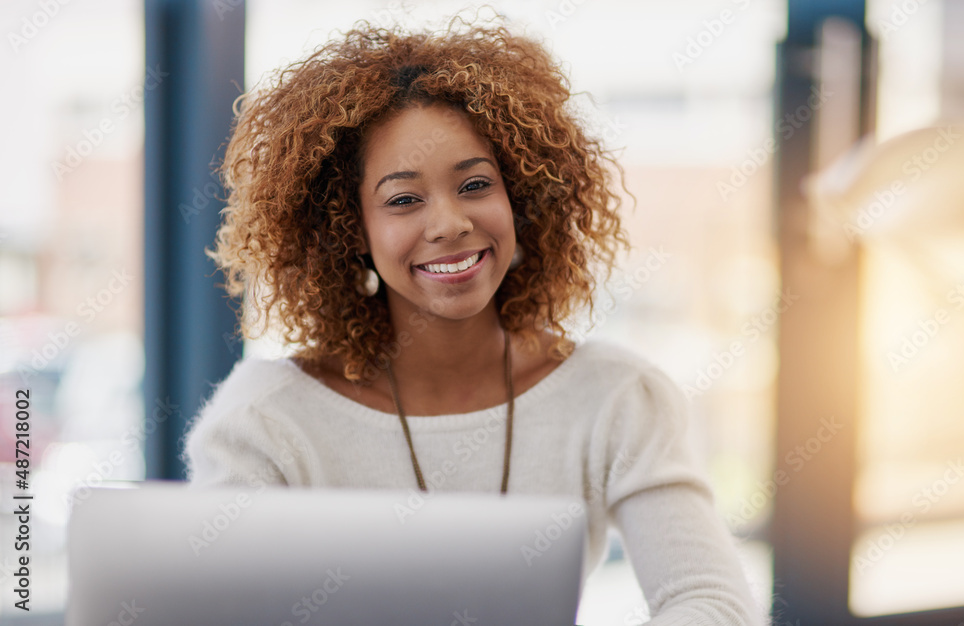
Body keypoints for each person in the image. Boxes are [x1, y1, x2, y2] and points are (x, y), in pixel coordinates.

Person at [183, 16, 761, 625]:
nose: (449, 224)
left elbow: (712, 602)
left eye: (476, 184)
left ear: (522, 197)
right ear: (350, 229)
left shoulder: (616, 398)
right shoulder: (265, 419)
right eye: (404, 199)